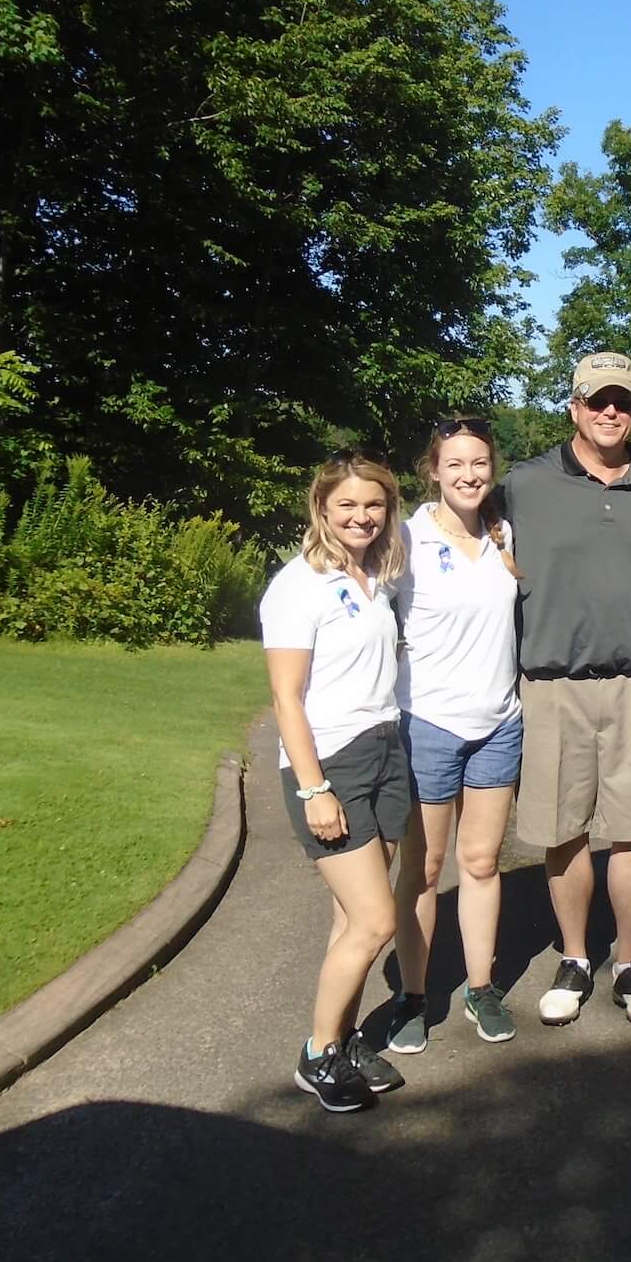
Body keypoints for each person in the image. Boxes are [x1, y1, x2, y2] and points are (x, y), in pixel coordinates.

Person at [500, 352, 631, 1029]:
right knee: (563, 831)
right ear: (574, 407)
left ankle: (630, 963)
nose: (611, 411)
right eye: (598, 400)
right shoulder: (523, 485)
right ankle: (576, 958)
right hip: (552, 685)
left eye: (623, 402)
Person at [260, 451, 412, 1112]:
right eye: (347, 504)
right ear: (321, 507)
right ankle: (318, 1054)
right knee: (376, 920)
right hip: (332, 765)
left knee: (351, 918)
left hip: (384, 750)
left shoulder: (374, 575)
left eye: (373, 504)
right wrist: (313, 789)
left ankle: (344, 1039)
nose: (361, 516)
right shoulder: (298, 585)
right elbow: (286, 698)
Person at [386, 417, 523, 1050]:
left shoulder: (503, 534)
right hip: (429, 725)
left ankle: (480, 987)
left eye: (480, 464)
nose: (469, 475)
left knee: (481, 863)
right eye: (456, 464)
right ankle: (412, 996)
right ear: (434, 471)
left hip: (498, 724)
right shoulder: (405, 539)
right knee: (425, 867)